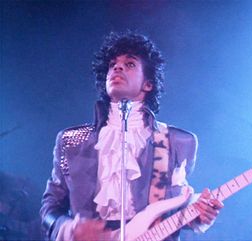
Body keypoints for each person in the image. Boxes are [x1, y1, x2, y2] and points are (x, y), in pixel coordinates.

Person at [40, 32, 223, 241]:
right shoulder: (71, 141)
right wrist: (69, 229)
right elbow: (49, 209)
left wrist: (197, 214)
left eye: (130, 64)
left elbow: (176, 204)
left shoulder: (176, 142)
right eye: (112, 64)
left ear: (148, 84)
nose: (117, 68)